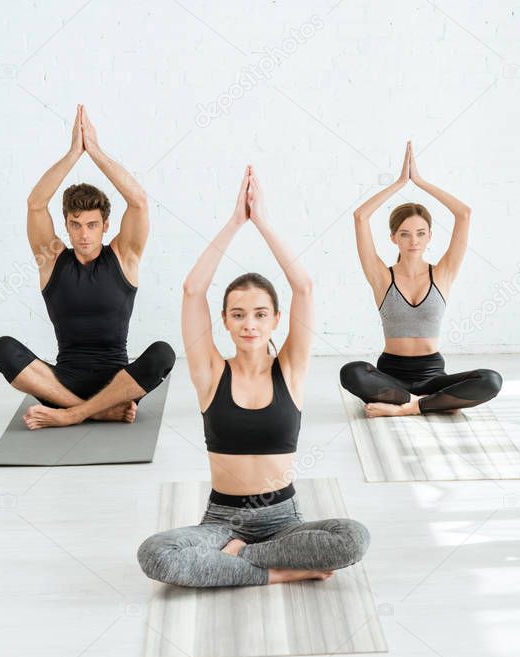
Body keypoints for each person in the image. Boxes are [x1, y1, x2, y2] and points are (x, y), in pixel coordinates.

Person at [137, 166, 369, 588]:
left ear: (276, 320)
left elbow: (304, 287)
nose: (249, 324)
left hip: (284, 519)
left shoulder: (291, 370)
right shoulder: (210, 373)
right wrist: (233, 223)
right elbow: (192, 289)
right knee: (156, 556)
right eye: (238, 315)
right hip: (222, 522)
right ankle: (276, 573)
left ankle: (243, 561)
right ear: (224, 320)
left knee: (353, 538)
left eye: (260, 314)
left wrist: (261, 221)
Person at [0, 105, 174, 430]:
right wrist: (74, 152)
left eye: (91, 225)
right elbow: (36, 204)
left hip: (119, 383)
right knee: (2, 348)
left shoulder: (124, 255)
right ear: (66, 225)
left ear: (105, 226)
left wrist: (96, 152)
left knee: (163, 354)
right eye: (75, 225)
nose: (83, 234)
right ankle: (94, 411)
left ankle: (71, 414)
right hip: (62, 383)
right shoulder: (51, 258)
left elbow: (139, 201)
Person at [339, 141, 502, 418]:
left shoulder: (442, 273)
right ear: (393, 238)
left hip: (433, 376)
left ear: (429, 236)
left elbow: (464, 214)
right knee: (351, 372)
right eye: (404, 233)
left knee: (491, 380)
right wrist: (401, 182)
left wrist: (421, 182)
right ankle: (427, 403)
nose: (413, 240)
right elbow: (360, 216)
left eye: (420, 233)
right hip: (390, 376)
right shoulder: (381, 276)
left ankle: (408, 407)